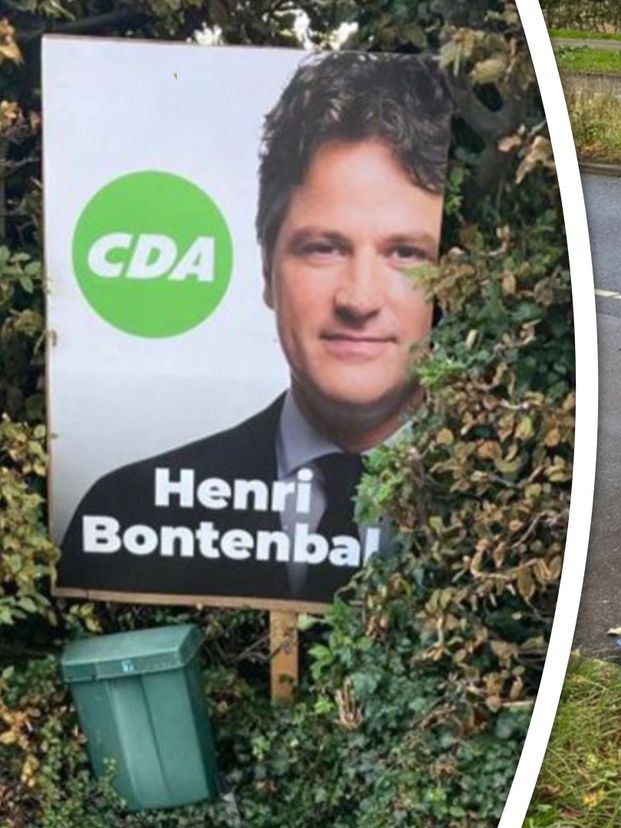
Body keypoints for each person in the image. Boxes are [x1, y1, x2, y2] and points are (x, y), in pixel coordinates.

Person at [56, 52, 453, 606]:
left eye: (405, 254)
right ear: (268, 268)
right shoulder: (125, 510)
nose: (358, 299)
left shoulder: (518, 514)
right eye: (324, 248)